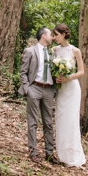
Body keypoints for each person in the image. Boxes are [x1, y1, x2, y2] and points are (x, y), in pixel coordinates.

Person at [18, 28, 60, 164]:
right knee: (33, 122)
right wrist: (27, 89)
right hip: (34, 88)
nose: (52, 37)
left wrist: (55, 87)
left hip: (48, 90)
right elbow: (23, 72)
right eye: (50, 35)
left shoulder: (53, 53)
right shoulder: (30, 51)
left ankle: (49, 153)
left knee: (48, 122)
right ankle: (33, 152)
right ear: (43, 36)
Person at [51, 23, 87, 167]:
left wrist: (68, 77)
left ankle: (73, 154)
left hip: (72, 89)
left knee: (71, 120)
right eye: (53, 35)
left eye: (56, 35)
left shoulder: (75, 50)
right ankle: (61, 153)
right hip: (61, 89)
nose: (54, 38)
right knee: (60, 120)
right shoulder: (54, 50)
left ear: (64, 34)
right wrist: (56, 77)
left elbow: (81, 71)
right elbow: (52, 69)